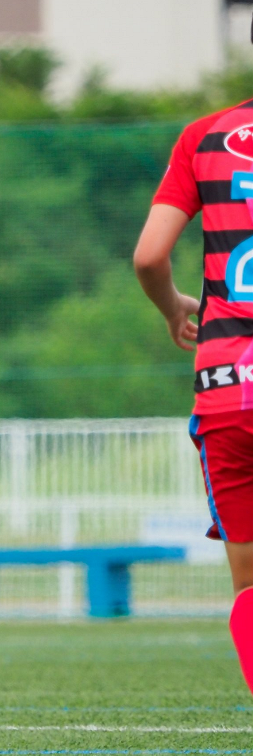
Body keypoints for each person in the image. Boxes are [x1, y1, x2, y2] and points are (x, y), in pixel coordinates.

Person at [134, 72, 253, 696]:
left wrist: (173, 307)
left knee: (250, 588)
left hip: (227, 382)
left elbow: (150, 256)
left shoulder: (204, 136)